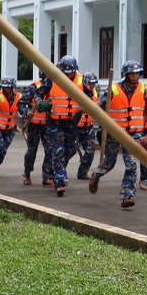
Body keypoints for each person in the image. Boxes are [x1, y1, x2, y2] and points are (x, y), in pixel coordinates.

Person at [88, 62, 147, 209]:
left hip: (133, 134)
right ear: (126, 74)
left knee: (131, 165)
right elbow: (101, 102)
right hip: (115, 132)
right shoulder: (114, 88)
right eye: (132, 73)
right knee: (109, 163)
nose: (135, 76)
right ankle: (96, 176)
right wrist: (93, 107)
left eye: (137, 73)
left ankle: (127, 195)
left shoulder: (143, 89)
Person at [39, 55, 85, 196]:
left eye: (71, 72)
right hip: (55, 122)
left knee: (71, 149)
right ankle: (59, 182)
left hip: (72, 122)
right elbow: (38, 93)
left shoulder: (82, 80)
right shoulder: (52, 79)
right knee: (58, 151)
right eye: (66, 73)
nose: (69, 75)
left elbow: (91, 97)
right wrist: (41, 103)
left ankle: (56, 171)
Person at [19, 77, 51, 186]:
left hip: (49, 125)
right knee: (31, 151)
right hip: (34, 124)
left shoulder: (56, 87)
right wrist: (26, 111)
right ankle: (27, 173)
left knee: (50, 150)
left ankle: (47, 176)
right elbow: (21, 103)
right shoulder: (34, 87)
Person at [75, 72, 100, 180]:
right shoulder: (78, 91)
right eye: (90, 83)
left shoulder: (94, 93)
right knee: (70, 150)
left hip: (88, 126)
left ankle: (83, 172)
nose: (92, 86)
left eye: (94, 84)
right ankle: (59, 173)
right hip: (76, 126)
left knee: (90, 150)